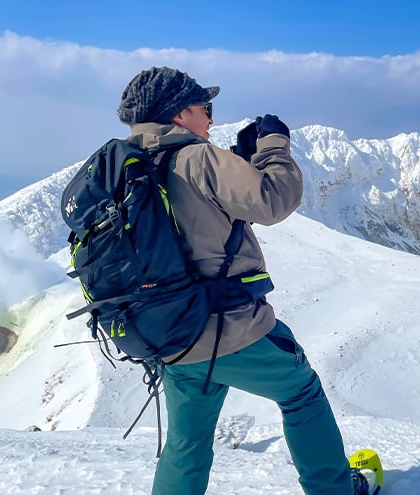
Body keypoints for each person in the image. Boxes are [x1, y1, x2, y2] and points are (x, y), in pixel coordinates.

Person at [116, 66, 364, 495]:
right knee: (302, 394)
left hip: (167, 333)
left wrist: (240, 162)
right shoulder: (196, 157)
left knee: (187, 439)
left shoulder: (125, 168)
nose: (210, 118)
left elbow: (197, 216)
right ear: (178, 114)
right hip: (226, 328)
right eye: (204, 107)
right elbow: (273, 201)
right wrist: (272, 145)